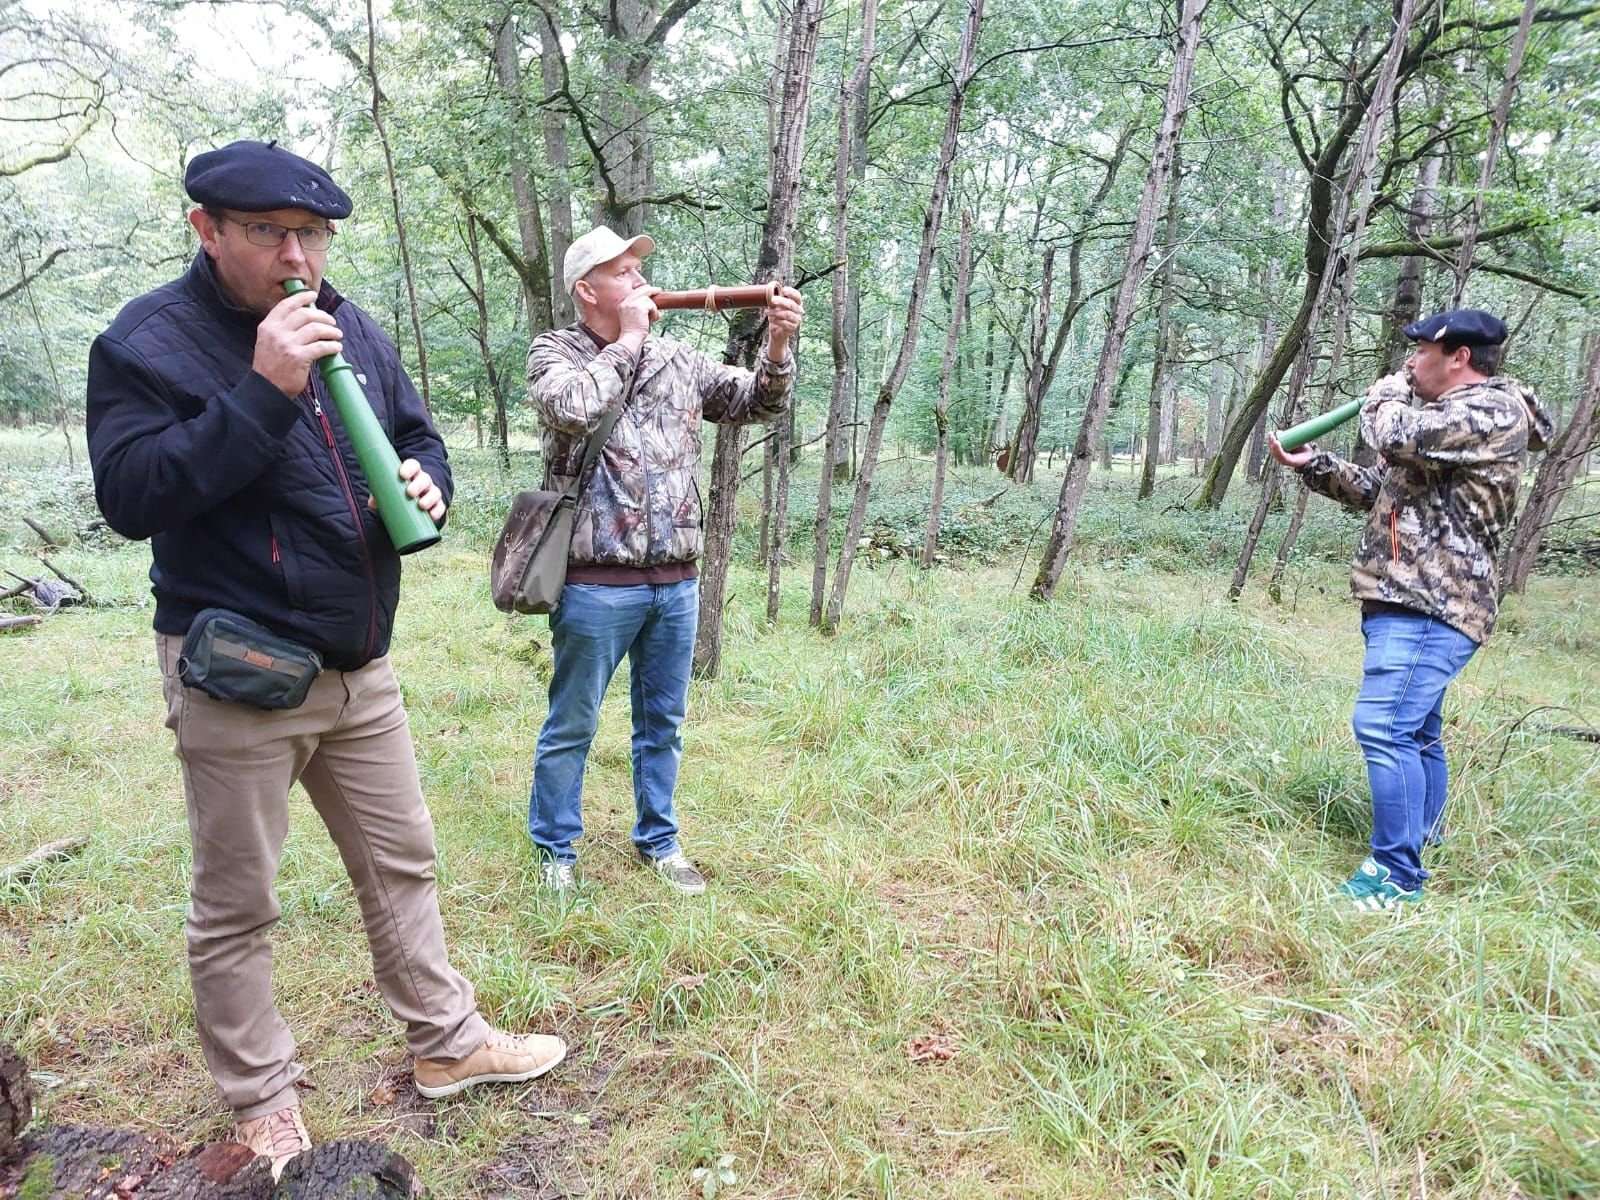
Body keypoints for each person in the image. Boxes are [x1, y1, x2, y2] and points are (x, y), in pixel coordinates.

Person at [86, 140, 565, 1177]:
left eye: (313, 234)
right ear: (205, 230)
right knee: (238, 903)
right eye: (270, 234)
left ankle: (447, 1045)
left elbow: (413, 434)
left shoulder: (352, 323)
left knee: (402, 862)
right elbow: (132, 498)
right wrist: (262, 388)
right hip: (242, 666)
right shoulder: (147, 342)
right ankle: (262, 1100)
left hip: (358, 663)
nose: (296, 255)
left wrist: (430, 481)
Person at [523, 226, 804, 894]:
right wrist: (626, 341)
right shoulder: (555, 353)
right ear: (586, 290)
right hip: (594, 584)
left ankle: (660, 840)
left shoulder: (679, 357)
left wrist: (778, 344)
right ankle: (557, 850)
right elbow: (572, 409)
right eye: (621, 272)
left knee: (663, 726)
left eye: (638, 269)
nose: (639, 280)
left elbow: (755, 403)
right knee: (573, 723)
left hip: (675, 582)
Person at [1269, 308, 1551, 913]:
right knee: (1418, 732)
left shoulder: (1490, 412)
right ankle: (1421, 840)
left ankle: (1395, 875)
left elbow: (1392, 435)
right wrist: (1314, 465)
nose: (1408, 362)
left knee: (1384, 727)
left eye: (1419, 351)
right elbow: (1384, 490)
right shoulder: (1444, 422)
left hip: (1433, 602)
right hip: (1408, 597)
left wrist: (1386, 396)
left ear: (1460, 357)